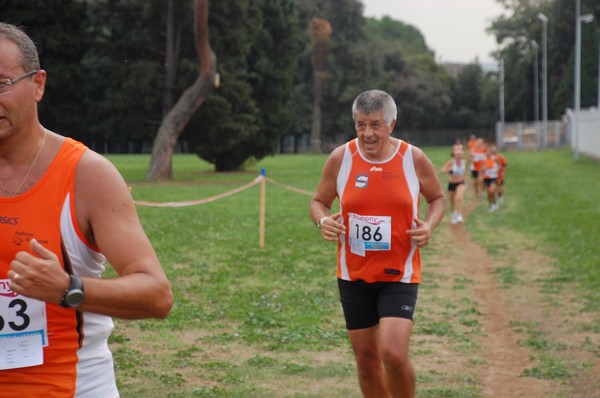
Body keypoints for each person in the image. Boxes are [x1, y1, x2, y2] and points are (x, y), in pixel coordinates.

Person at [0, 23, 173, 397]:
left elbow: (157, 294)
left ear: (38, 84)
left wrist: (67, 288)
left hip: (72, 387)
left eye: (2, 83)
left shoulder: (87, 175)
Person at [310, 89, 445, 398]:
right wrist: (323, 221)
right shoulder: (341, 158)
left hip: (399, 273)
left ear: (391, 124)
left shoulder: (413, 159)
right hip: (353, 275)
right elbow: (318, 201)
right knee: (367, 362)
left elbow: (437, 198)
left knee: (394, 355)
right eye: (360, 125)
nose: (367, 134)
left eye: (374, 125)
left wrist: (430, 225)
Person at [440, 147, 468, 224]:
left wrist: (465, 177)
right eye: (457, 154)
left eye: (460, 154)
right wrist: (447, 170)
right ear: (454, 155)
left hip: (461, 182)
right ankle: (453, 214)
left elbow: (465, 171)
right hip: (452, 183)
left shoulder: (464, 162)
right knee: (452, 201)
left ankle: (459, 215)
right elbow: (442, 171)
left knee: (459, 197)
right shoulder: (451, 163)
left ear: (462, 155)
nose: (459, 156)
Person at [481, 145, 501, 212]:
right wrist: (483, 169)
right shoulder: (483, 159)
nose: (488, 153)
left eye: (490, 151)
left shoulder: (495, 158)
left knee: (491, 191)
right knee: (489, 194)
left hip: (493, 177)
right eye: (487, 151)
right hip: (486, 178)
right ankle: (491, 205)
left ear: (492, 152)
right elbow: (481, 168)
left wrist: (496, 170)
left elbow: (500, 165)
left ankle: (494, 203)